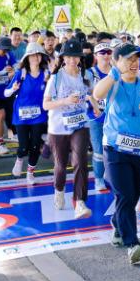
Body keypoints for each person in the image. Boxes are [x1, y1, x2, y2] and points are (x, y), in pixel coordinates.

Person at [91, 43, 140, 264]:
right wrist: (114, 73)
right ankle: (132, 243)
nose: (134, 64)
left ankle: (117, 221)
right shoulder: (112, 83)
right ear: (117, 61)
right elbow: (97, 93)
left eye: (136, 59)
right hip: (115, 148)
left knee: (132, 195)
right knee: (124, 195)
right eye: (128, 59)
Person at [44, 39, 94, 219]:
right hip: (58, 127)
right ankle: (59, 190)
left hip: (80, 124)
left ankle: (80, 202)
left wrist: (94, 104)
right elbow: (45, 104)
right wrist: (65, 101)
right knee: (60, 165)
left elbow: (92, 95)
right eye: (69, 57)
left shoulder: (86, 76)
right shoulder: (56, 78)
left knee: (80, 160)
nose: (73, 60)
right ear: (63, 58)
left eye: (76, 57)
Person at [6, 42, 51, 185]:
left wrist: (49, 82)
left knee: (35, 146)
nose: (34, 57)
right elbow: (6, 93)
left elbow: (53, 94)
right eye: (31, 55)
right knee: (24, 146)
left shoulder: (46, 74)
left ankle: (30, 173)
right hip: (21, 117)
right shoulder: (21, 74)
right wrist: (13, 88)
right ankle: (19, 159)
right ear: (27, 58)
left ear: (41, 57)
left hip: (38, 116)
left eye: (37, 55)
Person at [87, 42, 113, 191]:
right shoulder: (90, 73)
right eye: (102, 53)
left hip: (114, 118)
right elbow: (85, 91)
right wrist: (94, 103)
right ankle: (98, 179)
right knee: (98, 150)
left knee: (113, 149)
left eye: (108, 52)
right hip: (95, 117)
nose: (106, 55)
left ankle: (110, 175)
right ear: (96, 56)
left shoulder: (116, 72)